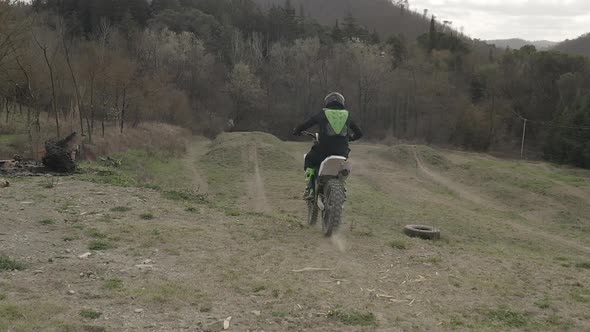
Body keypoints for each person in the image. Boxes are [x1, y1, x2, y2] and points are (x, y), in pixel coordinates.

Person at [292, 92, 363, 199]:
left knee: (309, 159)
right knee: (342, 167)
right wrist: (350, 138)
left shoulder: (323, 113)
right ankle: (342, 186)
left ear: (327, 102)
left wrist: (297, 130)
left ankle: (310, 188)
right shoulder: (347, 115)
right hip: (342, 152)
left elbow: (307, 124)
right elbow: (359, 133)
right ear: (342, 103)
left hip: (323, 151)